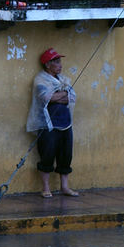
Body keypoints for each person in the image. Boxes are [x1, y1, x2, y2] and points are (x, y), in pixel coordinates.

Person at [26, 47, 79, 198]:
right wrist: (62, 95)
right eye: (56, 62)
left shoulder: (64, 79)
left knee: (66, 155)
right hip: (48, 124)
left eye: (59, 61)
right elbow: (46, 98)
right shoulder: (40, 80)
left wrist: (59, 95)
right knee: (47, 154)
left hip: (65, 123)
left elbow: (72, 97)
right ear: (48, 64)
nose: (60, 65)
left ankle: (65, 187)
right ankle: (46, 187)